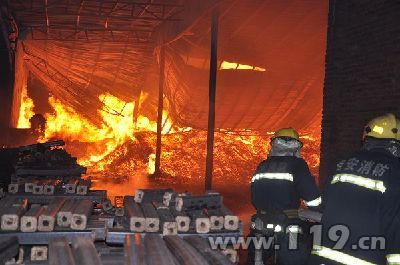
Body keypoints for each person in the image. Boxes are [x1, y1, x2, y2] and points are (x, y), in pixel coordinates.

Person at [308, 113, 400, 265]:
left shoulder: (342, 163)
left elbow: (325, 205)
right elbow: (396, 225)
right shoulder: (395, 172)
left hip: (322, 258)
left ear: (365, 138)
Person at [248, 128, 321, 265]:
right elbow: (312, 198)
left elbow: (254, 196)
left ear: (274, 144)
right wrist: (317, 212)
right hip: (288, 226)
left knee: (255, 261)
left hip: (260, 226)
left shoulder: (262, 166)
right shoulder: (297, 165)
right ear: (296, 146)